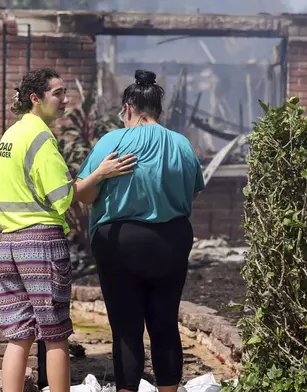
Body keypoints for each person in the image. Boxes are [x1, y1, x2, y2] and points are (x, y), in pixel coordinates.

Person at [0, 68, 136, 392]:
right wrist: (100, 173)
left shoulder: (9, 136)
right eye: (58, 93)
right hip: (40, 245)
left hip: (9, 246)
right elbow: (64, 195)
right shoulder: (40, 138)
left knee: (19, 336)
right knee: (55, 336)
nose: (65, 100)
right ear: (35, 99)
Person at [75, 70, 205, 392]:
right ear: (159, 110)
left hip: (120, 244)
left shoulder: (111, 142)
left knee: (126, 330)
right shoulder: (181, 144)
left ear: (127, 108)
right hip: (171, 241)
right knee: (164, 325)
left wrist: (104, 177)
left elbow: (84, 195)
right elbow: (193, 192)